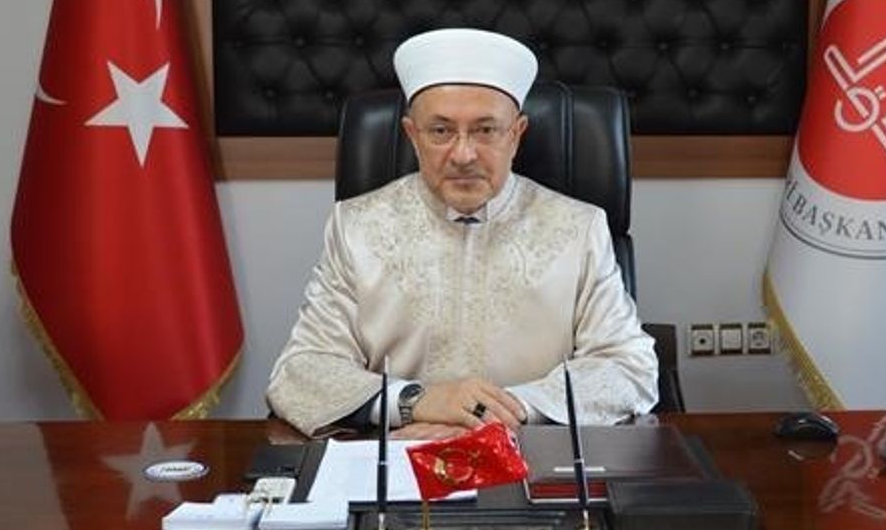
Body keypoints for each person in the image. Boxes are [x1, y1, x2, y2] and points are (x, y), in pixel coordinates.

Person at [266, 28, 658, 438]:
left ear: (516, 135)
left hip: (530, 451)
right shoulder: (356, 226)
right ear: (412, 135)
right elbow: (300, 371)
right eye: (441, 131)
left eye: (486, 130)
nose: (464, 154)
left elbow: (629, 366)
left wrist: (499, 412)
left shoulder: (579, 227)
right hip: (399, 456)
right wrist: (414, 402)